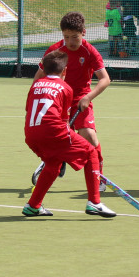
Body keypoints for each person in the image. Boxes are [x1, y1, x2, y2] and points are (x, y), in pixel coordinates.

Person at [23, 50, 115, 218]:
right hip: (54, 131)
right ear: (65, 71)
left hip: (30, 134)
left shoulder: (35, 84)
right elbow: (64, 121)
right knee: (91, 152)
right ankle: (94, 202)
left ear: (43, 69)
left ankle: (33, 205)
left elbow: (29, 110)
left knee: (53, 164)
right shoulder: (66, 88)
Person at [32, 11, 111, 187]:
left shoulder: (90, 51)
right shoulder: (55, 51)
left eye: (74, 37)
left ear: (83, 32)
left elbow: (105, 79)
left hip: (81, 99)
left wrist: (88, 97)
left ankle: (99, 176)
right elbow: (39, 76)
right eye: (66, 37)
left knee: (89, 135)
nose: (70, 42)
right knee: (55, 137)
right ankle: (59, 160)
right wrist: (37, 98)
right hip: (58, 100)